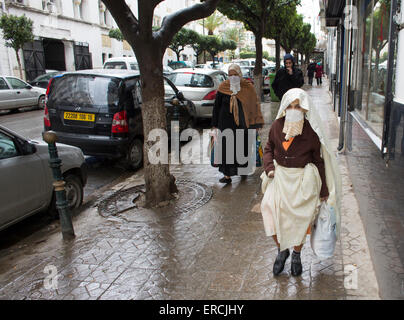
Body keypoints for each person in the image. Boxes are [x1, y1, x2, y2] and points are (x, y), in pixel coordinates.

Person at [260, 88, 341, 276]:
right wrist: (269, 169)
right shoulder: (277, 126)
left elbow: (319, 161)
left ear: (305, 109)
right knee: (269, 211)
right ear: (285, 107)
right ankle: (282, 249)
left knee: (300, 219)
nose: (294, 109)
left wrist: (324, 191)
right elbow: (269, 148)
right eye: (290, 106)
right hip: (279, 178)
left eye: (298, 106)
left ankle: (296, 254)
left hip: (302, 180)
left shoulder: (312, 131)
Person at [212, 64, 264, 184]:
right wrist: (214, 124)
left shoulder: (247, 87)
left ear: (240, 74)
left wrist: (256, 124)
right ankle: (227, 175)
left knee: (242, 148)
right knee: (226, 150)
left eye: (235, 75)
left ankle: (243, 171)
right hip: (225, 124)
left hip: (243, 124)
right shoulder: (223, 87)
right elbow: (216, 107)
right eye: (230, 75)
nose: (233, 77)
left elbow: (254, 106)